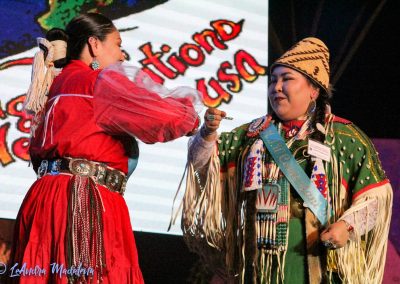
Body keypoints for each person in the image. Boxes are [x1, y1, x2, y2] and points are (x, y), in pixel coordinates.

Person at [9, 12, 201, 283]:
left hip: (47, 199)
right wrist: (191, 117)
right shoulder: (95, 82)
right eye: (118, 45)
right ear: (94, 45)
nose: (122, 56)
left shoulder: (58, 84)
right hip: (82, 200)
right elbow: (165, 116)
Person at [181, 37, 393, 283]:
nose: (276, 87)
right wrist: (206, 134)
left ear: (314, 89)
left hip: (318, 264)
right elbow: (202, 166)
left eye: (287, 79)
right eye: (273, 81)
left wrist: (346, 227)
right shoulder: (252, 135)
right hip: (259, 266)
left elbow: (377, 198)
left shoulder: (345, 138)